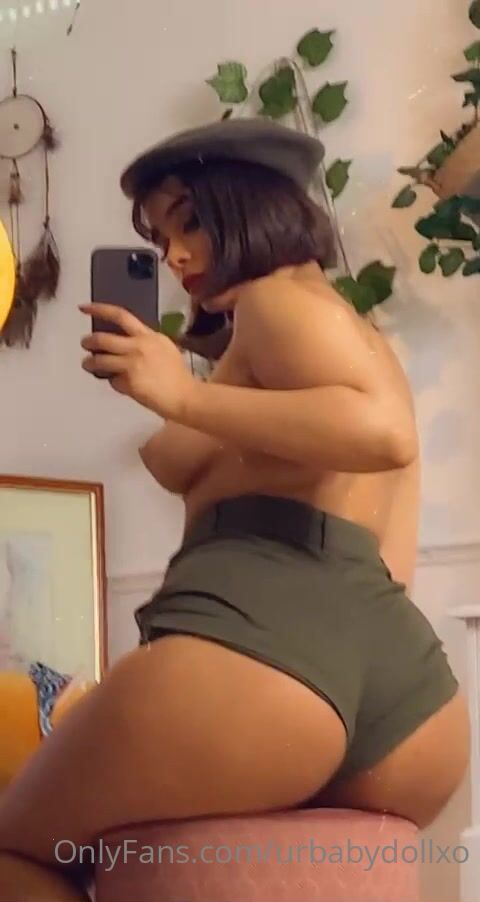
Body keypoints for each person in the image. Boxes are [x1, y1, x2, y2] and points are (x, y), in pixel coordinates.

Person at [0, 117, 469, 901]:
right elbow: (385, 541)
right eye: (159, 239)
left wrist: (182, 397)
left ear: (254, 208)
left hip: (263, 665)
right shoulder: (338, 340)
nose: (174, 255)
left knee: (13, 847)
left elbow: (382, 433)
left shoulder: (277, 302)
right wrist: (191, 387)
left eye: (190, 223)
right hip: (411, 707)